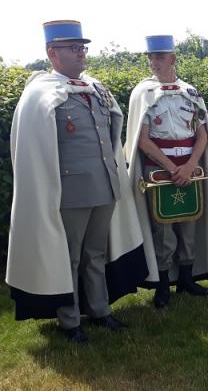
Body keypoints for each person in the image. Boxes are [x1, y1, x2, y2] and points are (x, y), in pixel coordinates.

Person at [7, 20, 148, 343]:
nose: (81, 54)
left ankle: (99, 310)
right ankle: (70, 320)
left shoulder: (95, 88)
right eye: (74, 48)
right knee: (69, 256)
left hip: (104, 186)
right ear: (52, 53)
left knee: (95, 253)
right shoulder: (39, 94)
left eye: (82, 48)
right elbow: (34, 151)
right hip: (70, 192)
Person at [125, 35, 208, 308]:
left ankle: (187, 280)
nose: (154, 62)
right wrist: (171, 168)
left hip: (189, 170)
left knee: (189, 227)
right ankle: (164, 284)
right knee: (164, 231)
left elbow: (202, 134)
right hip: (160, 171)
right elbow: (141, 140)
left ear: (173, 59)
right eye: (151, 57)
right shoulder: (143, 93)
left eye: (159, 57)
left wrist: (190, 165)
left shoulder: (190, 93)